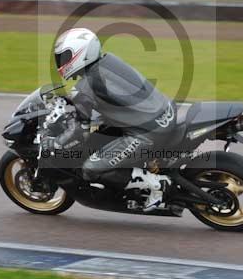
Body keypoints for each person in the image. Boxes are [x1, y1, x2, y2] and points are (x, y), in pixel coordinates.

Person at [43, 27, 176, 210]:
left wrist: (55, 145)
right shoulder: (108, 61)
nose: (62, 63)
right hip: (164, 113)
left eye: (65, 57)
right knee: (103, 135)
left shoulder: (85, 87)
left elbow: (79, 131)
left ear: (80, 53)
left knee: (91, 168)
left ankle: (157, 187)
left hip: (147, 133)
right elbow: (109, 100)